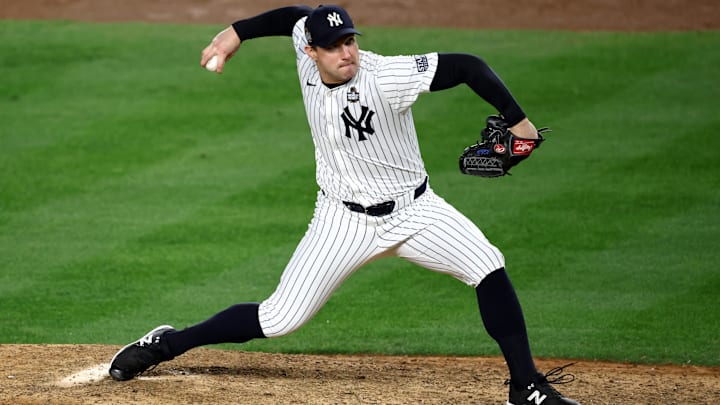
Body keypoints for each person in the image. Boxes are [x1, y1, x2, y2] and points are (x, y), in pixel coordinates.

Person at [109, 5, 580, 405]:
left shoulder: (387, 76)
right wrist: (237, 32)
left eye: (350, 41)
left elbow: (468, 66)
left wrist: (518, 122)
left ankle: (525, 386)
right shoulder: (304, 49)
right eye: (333, 45)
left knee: (488, 265)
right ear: (311, 51)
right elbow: (297, 17)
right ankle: (165, 344)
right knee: (279, 319)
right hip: (341, 220)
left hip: (416, 213)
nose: (346, 52)